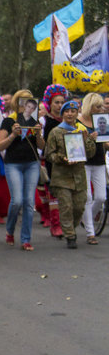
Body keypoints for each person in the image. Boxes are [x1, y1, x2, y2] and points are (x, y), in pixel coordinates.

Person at [45, 100, 96, 249]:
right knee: (66, 206)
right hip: (62, 176)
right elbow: (49, 154)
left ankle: (70, 228)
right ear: (63, 114)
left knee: (79, 206)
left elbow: (91, 153)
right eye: (67, 111)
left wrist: (87, 140)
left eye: (73, 111)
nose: (70, 114)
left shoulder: (81, 130)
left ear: (76, 113)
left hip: (79, 176)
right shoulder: (56, 132)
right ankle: (70, 235)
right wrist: (62, 158)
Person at [0, 90, 45, 251]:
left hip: (32, 163)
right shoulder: (8, 121)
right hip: (13, 164)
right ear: (18, 103)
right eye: (23, 101)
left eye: (30, 102)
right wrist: (13, 134)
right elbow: (0, 145)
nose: (27, 106)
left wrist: (38, 134)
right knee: (17, 200)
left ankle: (26, 239)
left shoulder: (35, 120)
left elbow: (41, 146)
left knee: (29, 201)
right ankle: (10, 230)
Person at [79, 93, 108, 244]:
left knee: (101, 197)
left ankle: (86, 218)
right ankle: (90, 233)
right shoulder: (79, 121)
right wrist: (88, 139)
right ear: (90, 106)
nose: (101, 109)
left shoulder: (102, 121)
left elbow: (106, 144)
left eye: (101, 106)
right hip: (84, 162)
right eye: (98, 106)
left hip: (99, 162)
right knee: (88, 197)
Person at [40, 84, 68, 237]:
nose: (59, 105)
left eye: (61, 102)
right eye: (56, 102)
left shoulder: (70, 120)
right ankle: (55, 224)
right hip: (50, 162)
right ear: (49, 103)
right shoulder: (44, 121)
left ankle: (65, 223)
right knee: (54, 193)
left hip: (68, 162)